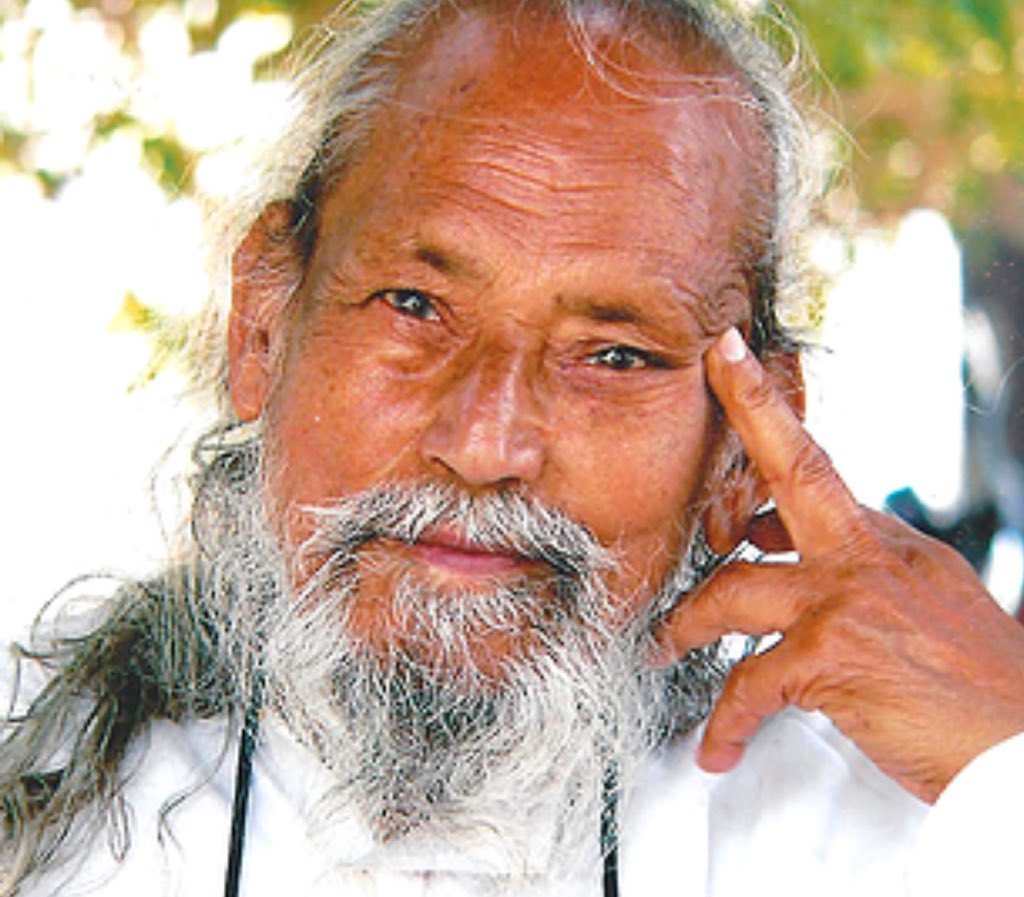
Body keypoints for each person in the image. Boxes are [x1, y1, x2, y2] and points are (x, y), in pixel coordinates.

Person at [4, 0, 1024, 894]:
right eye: (415, 306)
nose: (487, 442)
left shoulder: (914, 836)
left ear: (740, 452)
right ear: (263, 325)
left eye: (615, 356)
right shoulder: (31, 776)